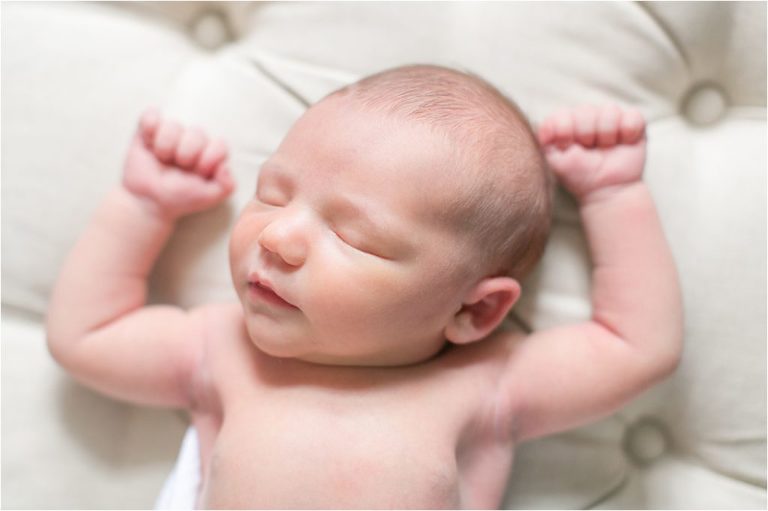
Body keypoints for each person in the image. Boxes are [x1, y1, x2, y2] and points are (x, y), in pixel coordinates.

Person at [46, 64, 683, 509]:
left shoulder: (486, 387)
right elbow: (86, 336)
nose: (277, 236)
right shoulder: (224, 350)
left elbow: (637, 345)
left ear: (477, 309)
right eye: (273, 194)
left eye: (355, 238)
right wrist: (142, 206)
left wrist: (613, 196)